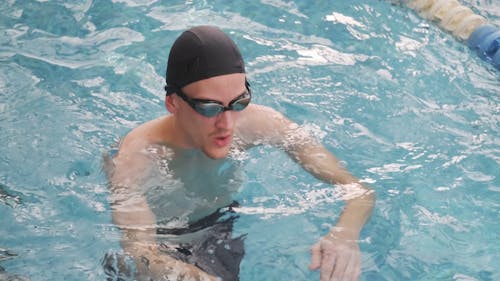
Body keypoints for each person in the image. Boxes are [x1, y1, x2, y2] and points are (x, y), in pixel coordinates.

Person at [105, 25, 375, 281]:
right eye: (210, 108)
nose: (228, 124)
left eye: (239, 102)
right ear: (173, 103)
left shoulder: (260, 123)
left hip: (218, 222)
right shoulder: (137, 157)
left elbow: (358, 191)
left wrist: (344, 235)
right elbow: (140, 254)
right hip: (162, 243)